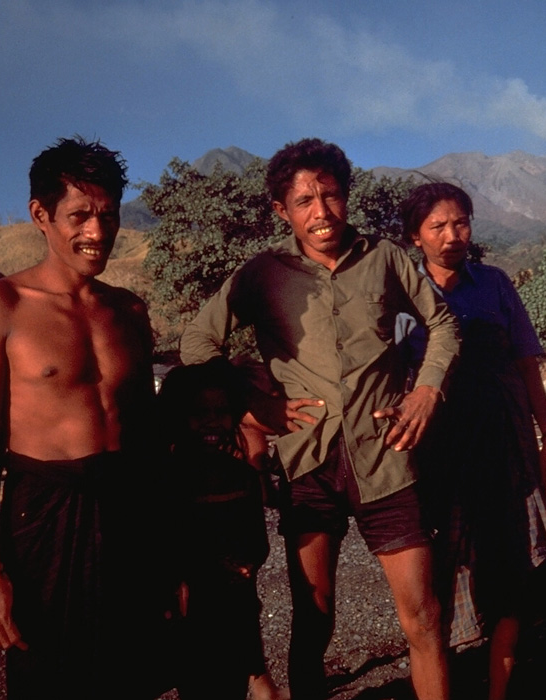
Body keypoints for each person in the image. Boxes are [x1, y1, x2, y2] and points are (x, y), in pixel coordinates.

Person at [180, 138, 459, 700]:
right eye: (304, 200)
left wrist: (427, 391)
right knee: (314, 617)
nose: (321, 211)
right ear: (282, 210)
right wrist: (256, 403)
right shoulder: (261, 275)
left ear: (346, 195)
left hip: (386, 458)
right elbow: (197, 342)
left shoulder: (385, 257)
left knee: (424, 618)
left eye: (330, 195)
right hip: (308, 465)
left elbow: (445, 324)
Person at [0, 138, 171, 699]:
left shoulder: (129, 310)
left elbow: (150, 442)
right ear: (41, 215)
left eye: (107, 215)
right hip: (43, 517)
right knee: (49, 681)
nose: (97, 232)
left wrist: (171, 552)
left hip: (129, 510)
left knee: (132, 677)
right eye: (79, 215)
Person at [398, 182, 546, 699]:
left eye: (461, 223)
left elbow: (526, 366)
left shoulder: (493, 284)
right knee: (437, 577)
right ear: (415, 237)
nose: (453, 236)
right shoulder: (397, 294)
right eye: (438, 227)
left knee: (511, 569)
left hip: (503, 445)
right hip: (435, 454)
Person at [157, 359, 287, 700]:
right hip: (191, 608)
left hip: (235, 603)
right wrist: (208, 567)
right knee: (199, 682)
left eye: (221, 411)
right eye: (200, 413)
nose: (211, 421)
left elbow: (257, 539)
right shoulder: (170, 477)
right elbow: (167, 542)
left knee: (231, 680)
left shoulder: (241, 476)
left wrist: (248, 561)